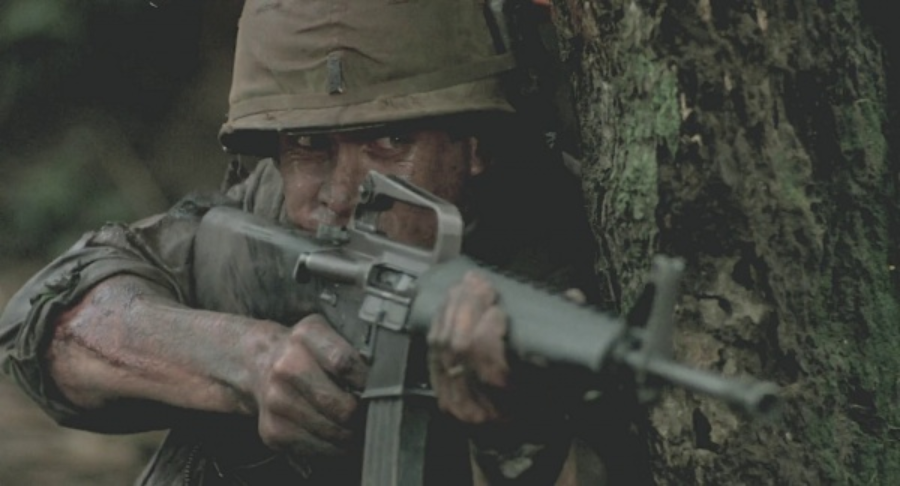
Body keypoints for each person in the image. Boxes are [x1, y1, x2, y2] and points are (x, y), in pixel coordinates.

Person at [0, 1, 606, 484]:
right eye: (307, 145)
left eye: (389, 141)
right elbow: (46, 323)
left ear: (478, 145)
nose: (340, 195)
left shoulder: (568, 258)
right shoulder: (263, 224)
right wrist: (249, 361)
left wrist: (513, 440)